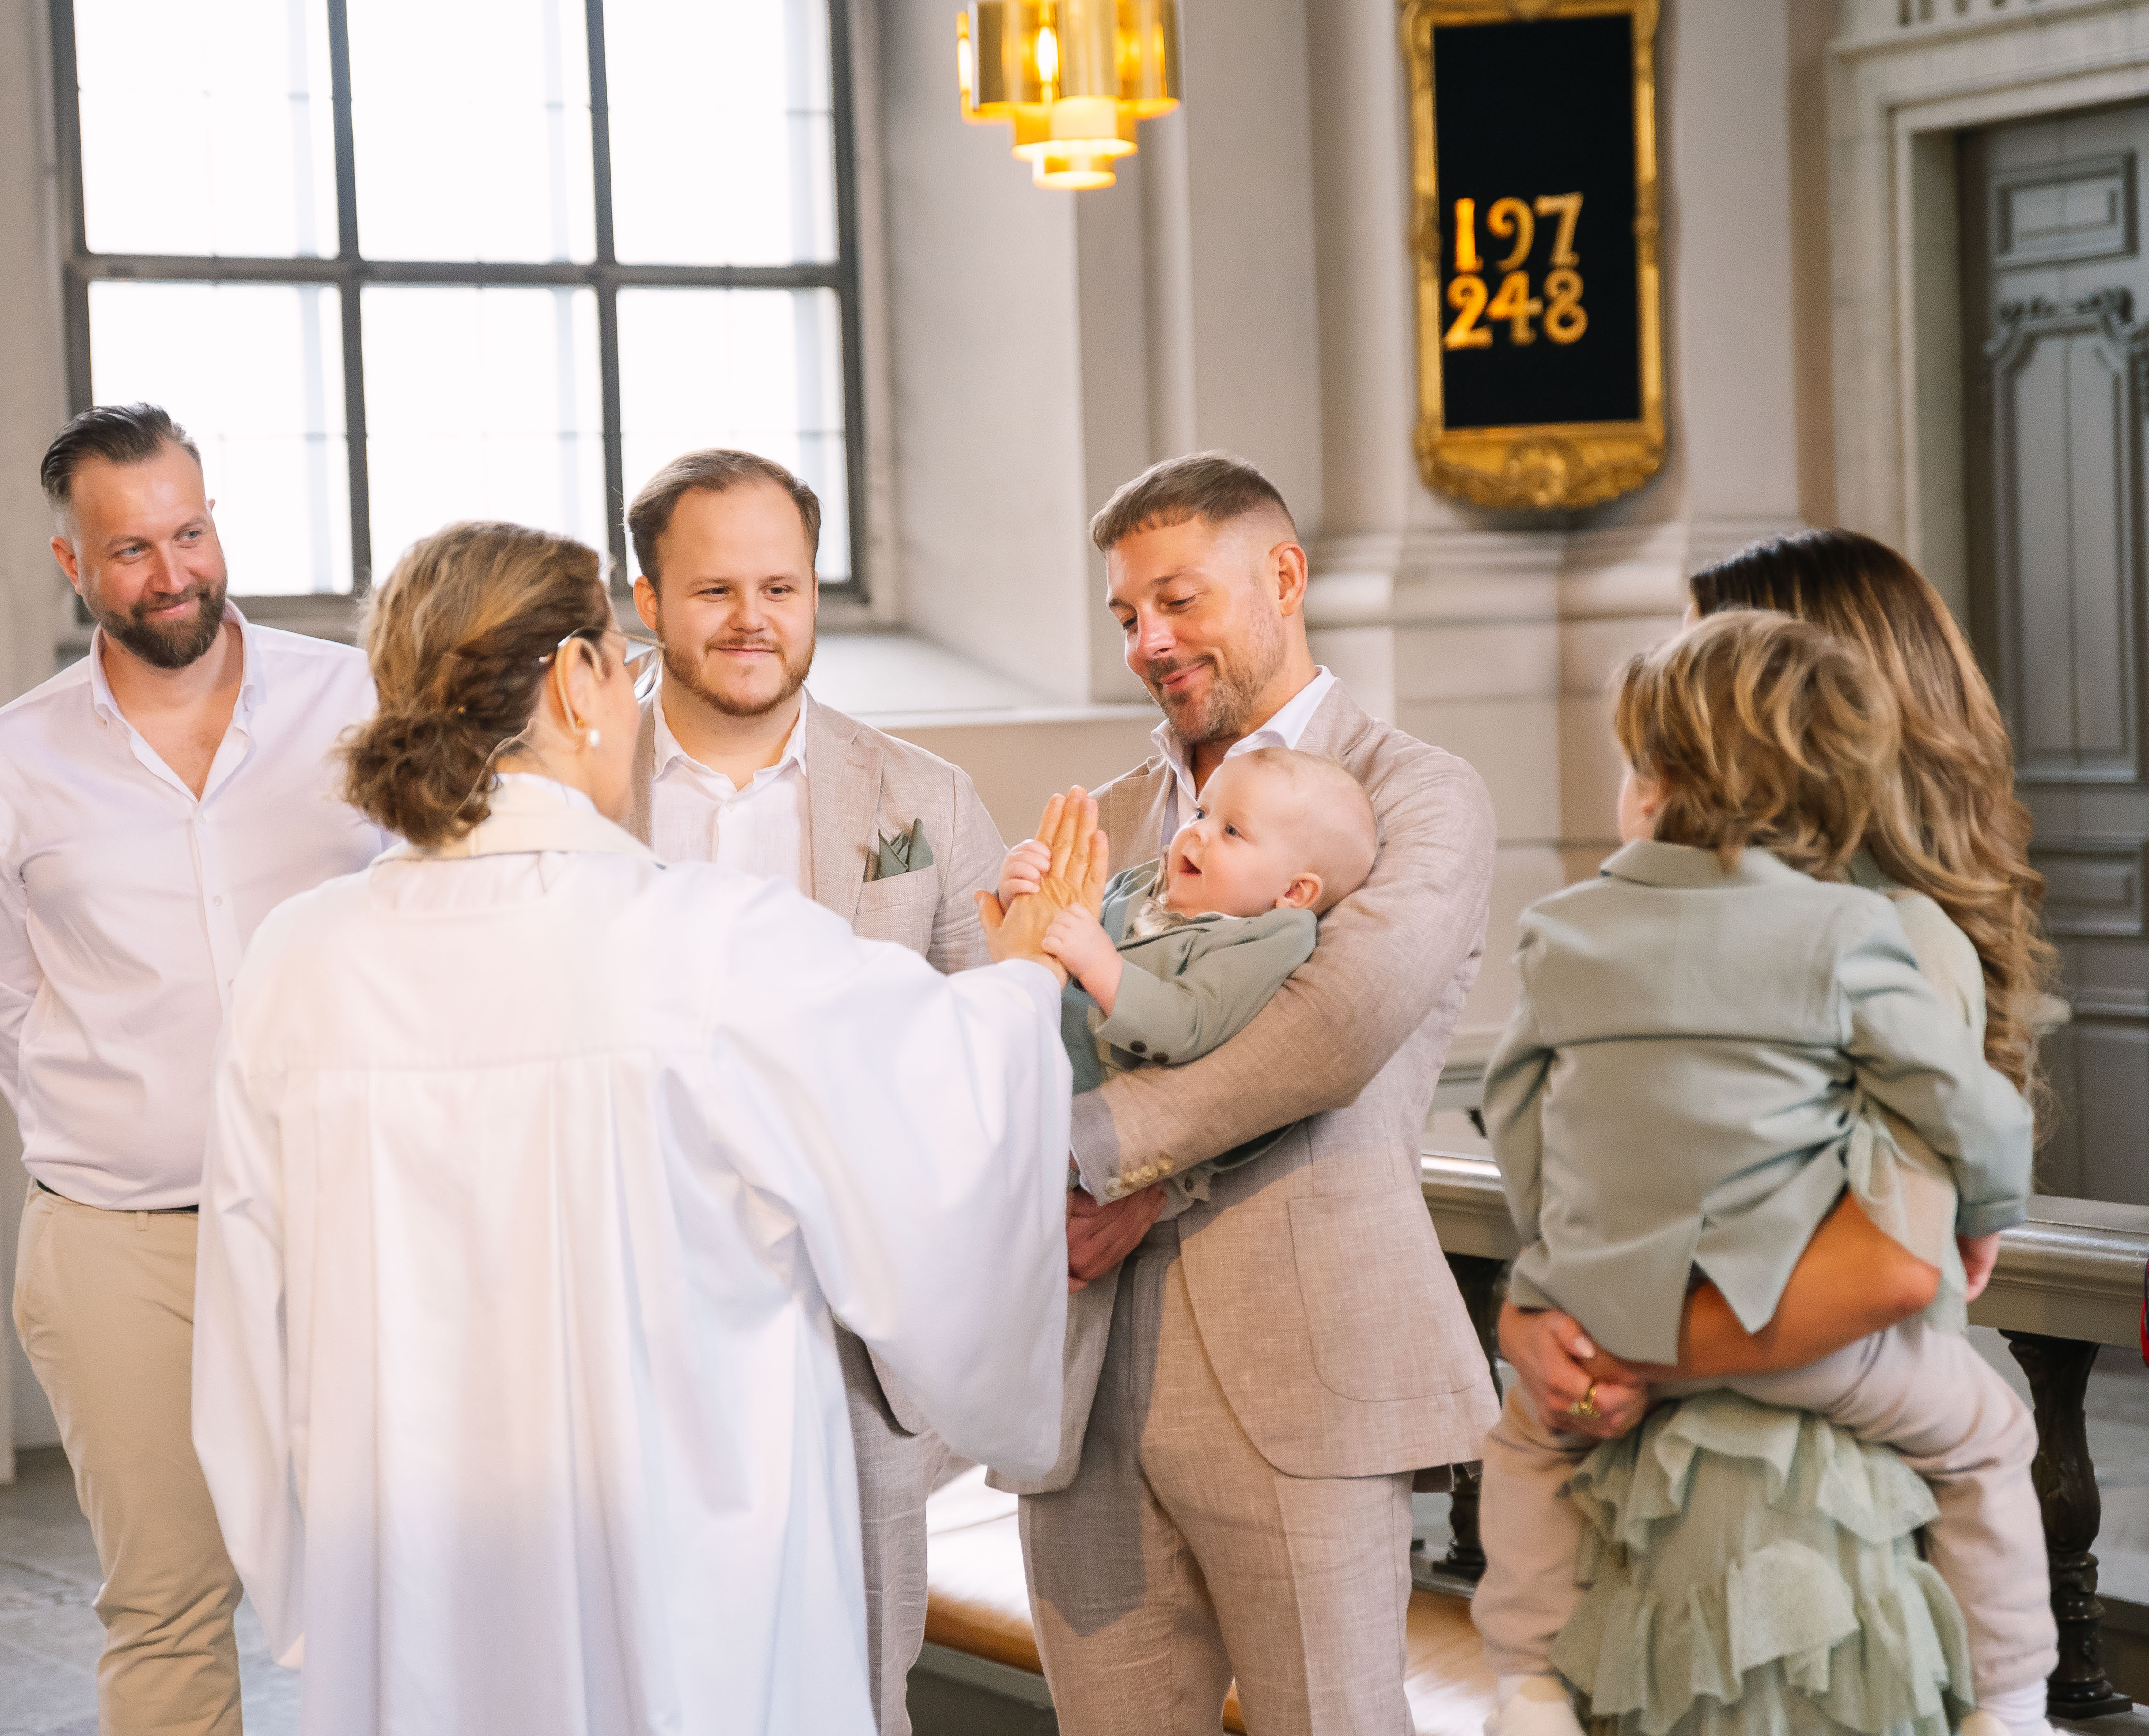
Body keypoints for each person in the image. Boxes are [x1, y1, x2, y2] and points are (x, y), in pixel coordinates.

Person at [189, 520, 1095, 1736]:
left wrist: (311, 1587)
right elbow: (943, 1103)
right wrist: (1027, 976)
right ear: (576, 679)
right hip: (683, 1586)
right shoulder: (708, 940)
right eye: (622, 663)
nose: (630, 700)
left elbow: (245, 1310)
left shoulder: (299, 959)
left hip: (416, 1574)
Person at [1472, 610, 2052, 1736]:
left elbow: (1516, 1111)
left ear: (1657, 783)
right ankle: (2013, 1698)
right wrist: (1981, 1210)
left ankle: (1526, 1683)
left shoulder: (1559, 930)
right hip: (1800, 1332)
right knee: (1988, 1432)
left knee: (1526, 1441)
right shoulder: (1848, 931)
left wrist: (1561, 1259)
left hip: (1603, 1323)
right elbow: (1965, 1101)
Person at [1003, 451, 1500, 1736]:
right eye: (1127, 615)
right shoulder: (1108, 816)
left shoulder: (1413, 792)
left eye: (1179, 600)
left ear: (1283, 576)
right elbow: (1025, 1028)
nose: (1149, 643)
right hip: (1081, 1379)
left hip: (1301, 1366)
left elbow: (1330, 1031)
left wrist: (1102, 1160)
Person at [0, 403, 384, 1736]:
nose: (172, 573)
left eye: (189, 533)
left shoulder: (358, 704)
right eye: (130, 550)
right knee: (166, 1607)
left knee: (399, 1582)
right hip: (125, 1247)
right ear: (72, 566)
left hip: (355, 1217)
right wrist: (134, 1128)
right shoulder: (0, 768)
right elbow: (2, 1001)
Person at [1495, 527, 2059, 1439]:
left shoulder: (1897, 937)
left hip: (1799, 1457)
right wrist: (1532, 1326)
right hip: (1662, 1433)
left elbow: (1886, 1268)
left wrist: (1608, 1349)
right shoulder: (1683, 933)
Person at [614, 447, 1011, 1736]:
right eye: (714, 589)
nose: (752, 620)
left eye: (780, 587)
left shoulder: (921, 799)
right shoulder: (568, 788)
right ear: (645, 600)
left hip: (852, 1332)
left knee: (859, 1685)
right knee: (639, 1681)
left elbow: (991, 1058)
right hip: (632, 1314)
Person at [1009, 747, 1379, 1216]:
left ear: (1293, 891)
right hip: (1022, 1081)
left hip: (1077, 1146)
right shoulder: (1145, 882)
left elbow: (1188, 1022)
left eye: (1232, 831)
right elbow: (1054, 932)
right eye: (1202, 812)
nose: (1198, 830)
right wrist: (1025, 890)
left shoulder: (1267, 938)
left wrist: (1099, 962)